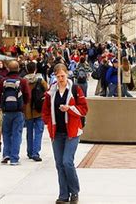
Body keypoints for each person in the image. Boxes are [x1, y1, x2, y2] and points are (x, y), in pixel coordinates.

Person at [42, 63, 88, 204]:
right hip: (57, 132)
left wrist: (69, 108)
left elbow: (84, 109)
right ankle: (63, 194)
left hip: (72, 132)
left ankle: (74, 192)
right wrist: (49, 123)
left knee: (67, 161)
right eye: (58, 76)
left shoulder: (75, 89)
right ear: (54, 77)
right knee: (59, 164)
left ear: (67, 74)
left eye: (63, 75)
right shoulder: (51, 91)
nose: (61, 78)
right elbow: (45, 111)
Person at [0, 60, 30, 165]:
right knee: (16, 134)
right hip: (18, 111)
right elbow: (27, 96)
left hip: (6, 111)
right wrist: (23, 105)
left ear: (8, 69)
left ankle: (6, 154)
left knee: (6, 133)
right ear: (18, 69)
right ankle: (14, 158)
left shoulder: (3, 81)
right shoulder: (22, 81)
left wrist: (2, 105)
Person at [24, 61, 48, 162]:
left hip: (28, 109)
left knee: (29, 131)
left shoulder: (24, 81)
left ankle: (29, 151)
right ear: (35, 69)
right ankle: (36, 152)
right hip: (39, 108)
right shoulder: (40, 79)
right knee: (38, 131)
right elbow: (47, 89)